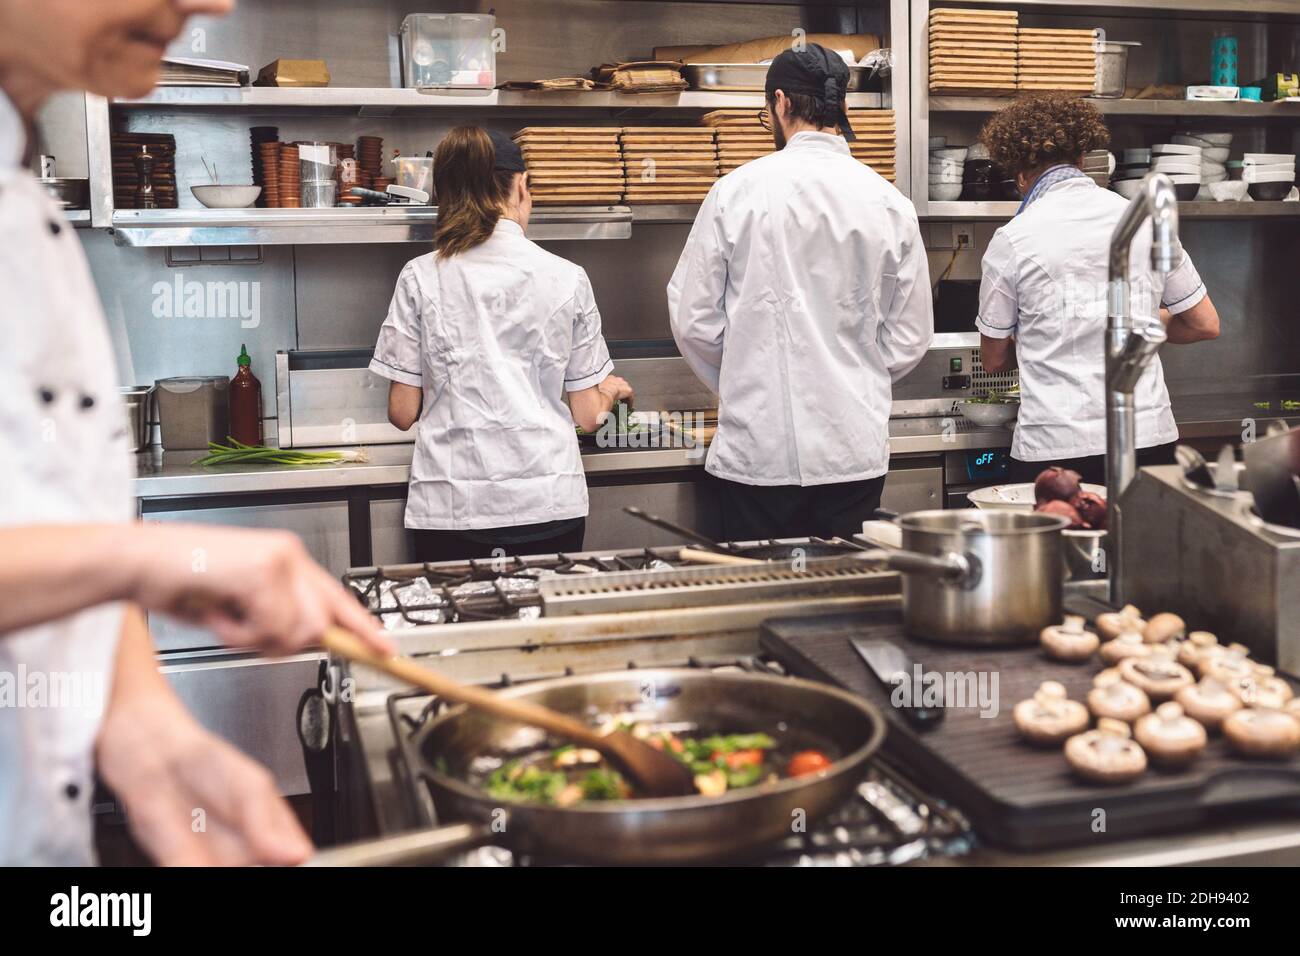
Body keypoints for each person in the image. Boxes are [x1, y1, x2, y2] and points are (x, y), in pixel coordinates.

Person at [0, 0, 394, 866]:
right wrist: (160, 563)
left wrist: (143, 729)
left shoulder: (26, 209)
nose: (212, 4)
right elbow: (99, 555)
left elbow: (49, 525)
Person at [667, 44, 933, 542]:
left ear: (781, 103)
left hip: (758, 455)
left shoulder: (736, 193)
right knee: (846, 599)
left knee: (761, 601)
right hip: (852, 453)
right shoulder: (890, 203)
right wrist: (855, 374)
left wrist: (748, 375)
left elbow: (693, 318)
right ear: (842, 109)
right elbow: (911, 338)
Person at [371, 126, 632, 562]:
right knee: (537, 627)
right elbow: (587, 417)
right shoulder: (568, 277)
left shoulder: (419, 276)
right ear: (522, 185)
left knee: (456, 628)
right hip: (546, 505)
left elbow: (402, 413)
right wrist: (610, 391)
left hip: (451, 510)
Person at [976, 93, 1221, 486]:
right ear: (1081, 156)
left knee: (1063, 549)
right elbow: (1204, 323)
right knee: (1143, 548)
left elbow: (993, 358)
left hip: (1056, 447)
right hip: (1146, 436)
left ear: (1020, 172)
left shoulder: (1012, 240)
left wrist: (1055, 336)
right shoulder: (1141, 219)